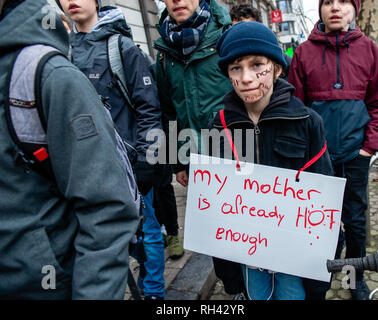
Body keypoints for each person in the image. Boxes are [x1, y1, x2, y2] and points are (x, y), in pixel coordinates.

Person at [0, 0, 140, 299]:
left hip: (122, 163)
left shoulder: (55, 71)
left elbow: (108, 213)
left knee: (150, 231)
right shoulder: (69, 50)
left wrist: (143, 157)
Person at [212, 21, 333, 300]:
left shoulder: (306, 121)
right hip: (246, 253)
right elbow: (214, 204)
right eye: (235, 68)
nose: (246, 77)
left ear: (277, 68)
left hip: (295, 254)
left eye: (257, 65)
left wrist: (320, 274)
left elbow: (325, 197)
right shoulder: (218, 126)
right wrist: (228, 273)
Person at [57, 0, 166, 300]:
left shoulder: (122, 49)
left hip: (130, 168)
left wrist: (146, 161)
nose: (71, 1)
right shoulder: (61, 51)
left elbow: (149, 109)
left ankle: (154, 296)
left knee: (148, 236)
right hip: (85, 172)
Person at [288, 0, 378, 300]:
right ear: (320, 9)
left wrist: (368, 147)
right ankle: (319, 277)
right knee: (320, 223)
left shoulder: (369, 50)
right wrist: (305, 152)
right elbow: (297, 106)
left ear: (354, 9)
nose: (335, 8)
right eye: (327, 2)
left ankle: (352, 278)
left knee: (356, 221)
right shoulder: (304, 53)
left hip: (355, 156)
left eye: (343, 1)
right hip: (318, 159)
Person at [154, 0, 247, 298]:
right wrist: (178, 163)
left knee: (248, 229)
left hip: (239, 154)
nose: (177, 1)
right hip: (197, 162)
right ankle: (236, 293)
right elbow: (168, 111)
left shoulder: (227, 37)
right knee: (217, 238)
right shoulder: (164, 51)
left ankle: (257, 287)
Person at [229, 4, 292, 80]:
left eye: (248, 28)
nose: (243, 35)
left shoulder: (282, 60)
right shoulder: (226, 61)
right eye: (237, 30)